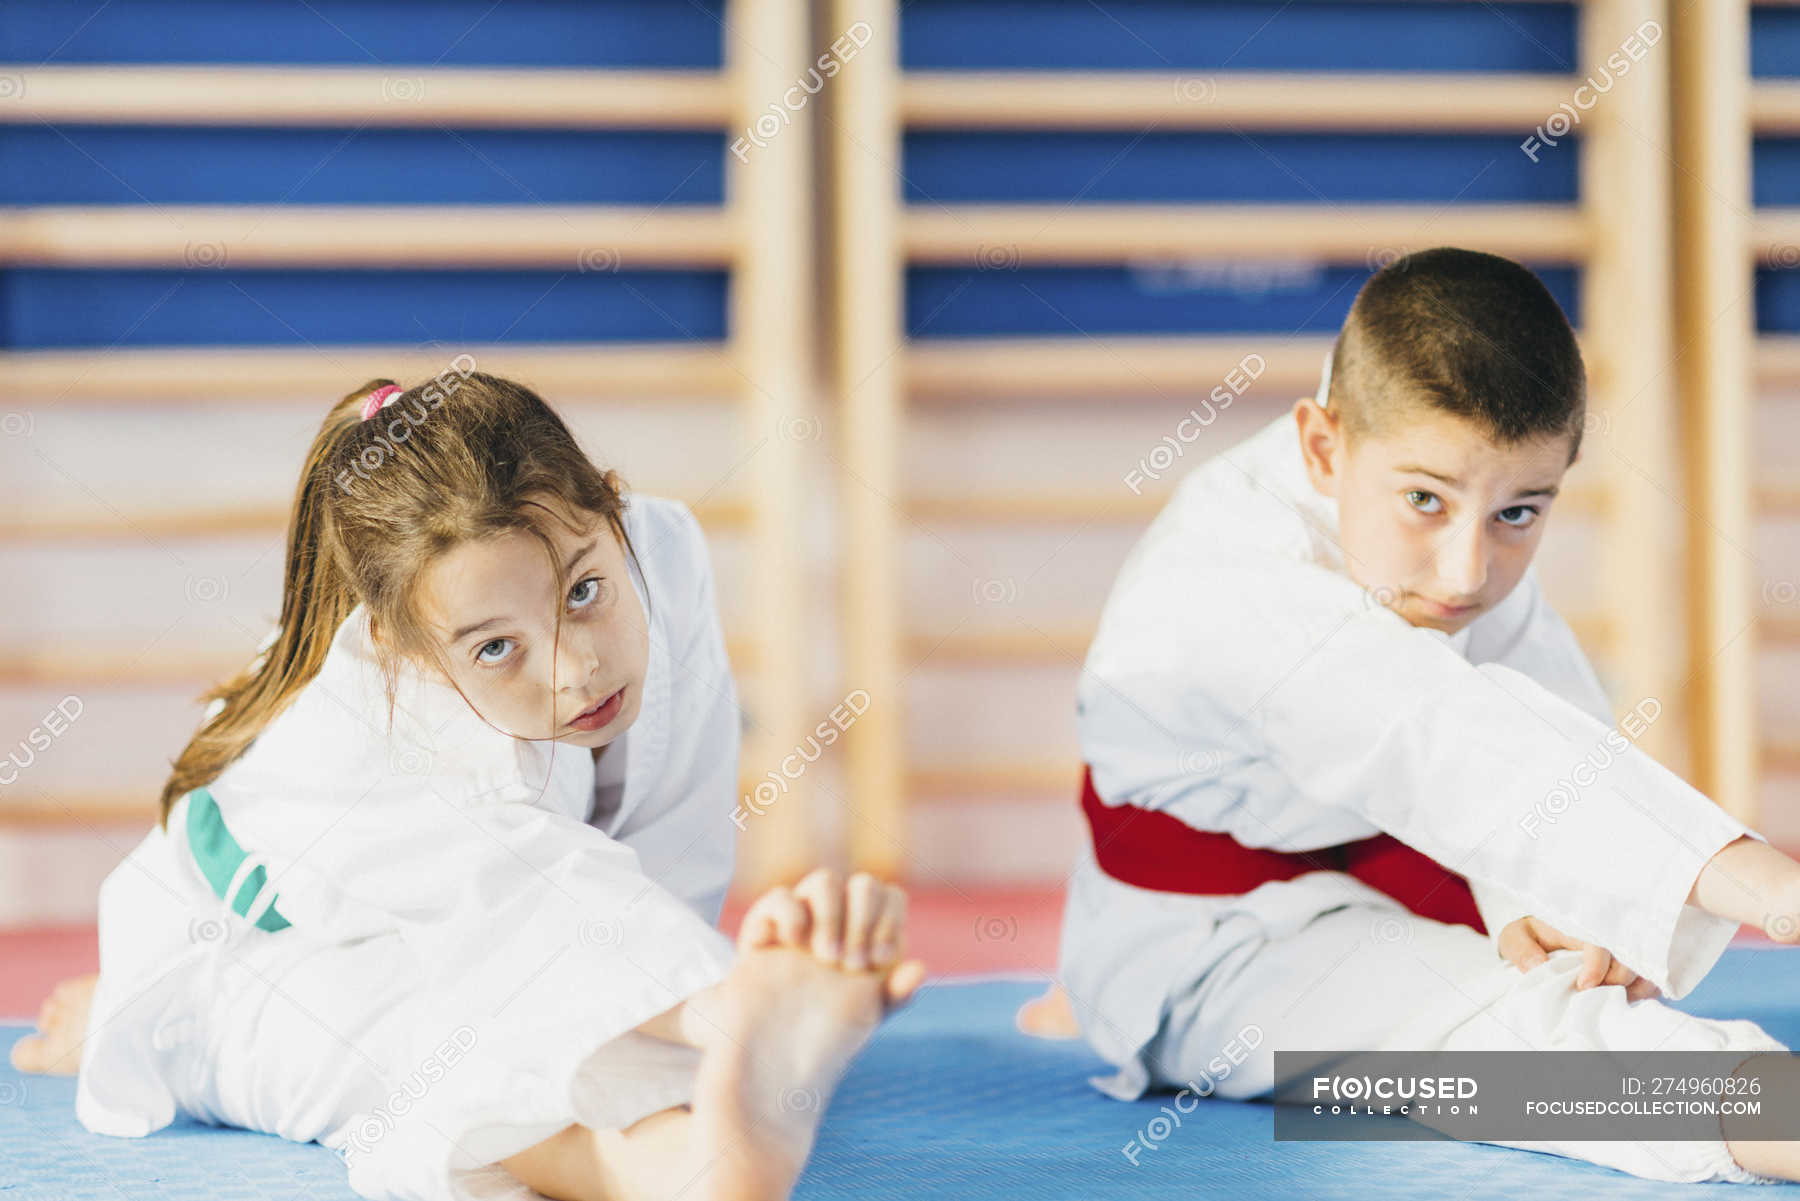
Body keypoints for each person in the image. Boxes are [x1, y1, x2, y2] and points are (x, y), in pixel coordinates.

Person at [10, 368, 924, 1201]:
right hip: (241, 958)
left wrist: (689, 1031)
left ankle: (707, 1130)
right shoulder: (372, 720)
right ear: (410, 653)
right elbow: (524, 894)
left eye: (582, 591)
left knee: (548, 1015)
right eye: (497, 647)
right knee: (406, 1050)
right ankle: (676, 1169)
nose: (576, 670)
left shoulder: (664, 553)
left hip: (470, 925)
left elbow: (670, 830)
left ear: (611, 511)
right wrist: (724, 1006)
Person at [1027, 247, 1800, 1183]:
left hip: (1395, 850)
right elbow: (1442, 738)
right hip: (1211, 950)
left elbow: (1534, 702)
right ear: (1323, 445)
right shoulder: (1232, 584)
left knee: (1577, 965)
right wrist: (1771, 888)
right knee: (1490, 1051)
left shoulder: (1424, 476)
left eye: (1521, 512)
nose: (1467, 570)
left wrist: (1569, 906)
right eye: (1426, 501)